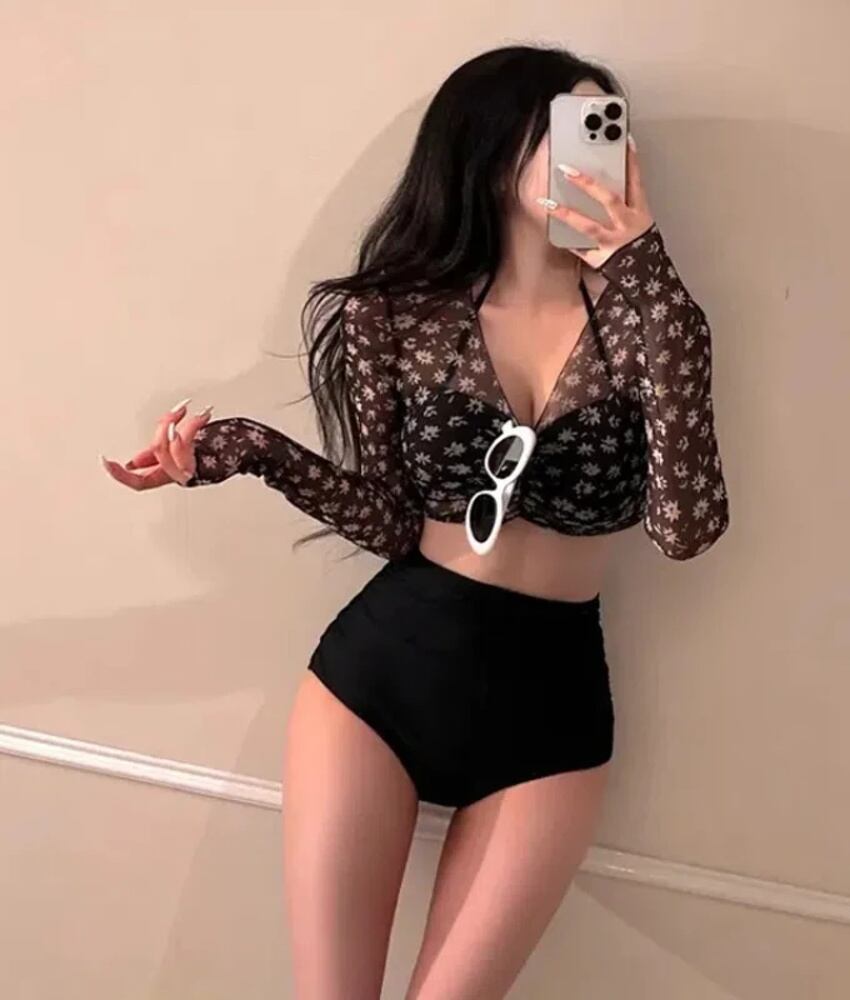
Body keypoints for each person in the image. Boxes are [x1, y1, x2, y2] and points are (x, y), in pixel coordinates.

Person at [102, 44, 729, 1000]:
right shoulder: (394, 316)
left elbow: (685, 529)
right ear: (492, 145)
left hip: (552, 708)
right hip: (380, 682)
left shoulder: (655, 323)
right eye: (567, 129)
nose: (594, 154)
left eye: (606, 131)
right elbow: (392, 521)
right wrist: (247, 449)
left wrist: (647, 275)